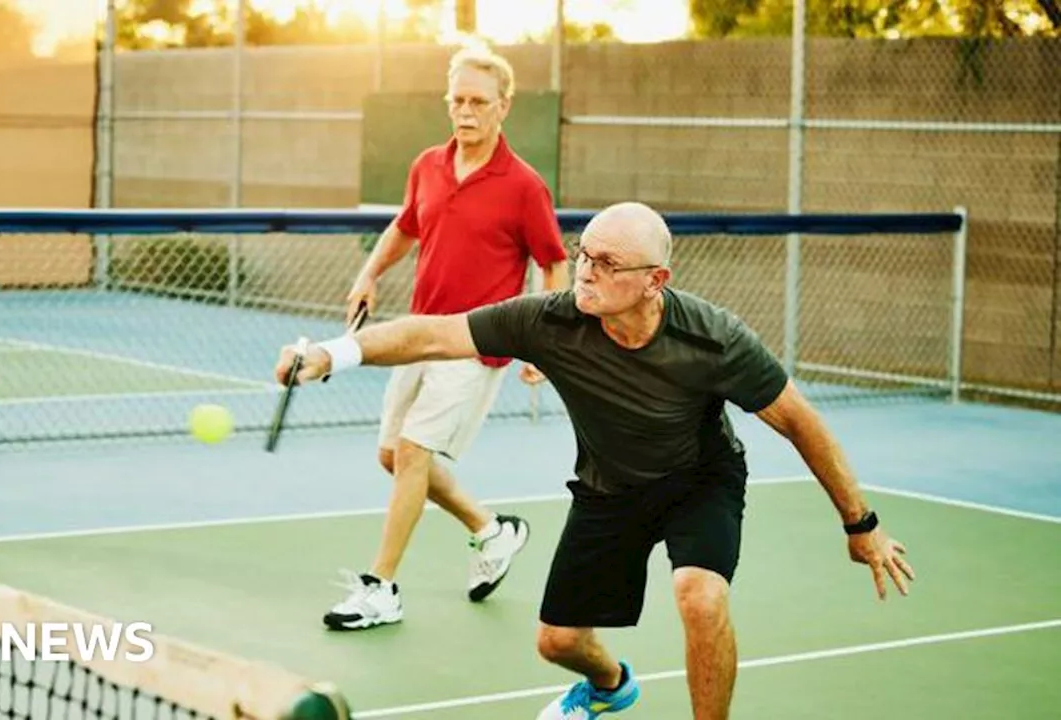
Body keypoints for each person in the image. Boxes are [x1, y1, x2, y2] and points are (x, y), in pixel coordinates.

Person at [275, 201, 917, 718]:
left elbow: (800, 422)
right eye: (584, 254)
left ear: (653, 281)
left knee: (699, 596)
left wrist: (860, 525)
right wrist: (336, 354)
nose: (585, 270)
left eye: (607, 263)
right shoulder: (551, 320)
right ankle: (610, 687)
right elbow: (434, 332)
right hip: (609, 487)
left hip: (699, 480)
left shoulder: (713, 339)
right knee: (558, 642)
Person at [326, 43, 571, 632]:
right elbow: (407, 224)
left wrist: (542, 341)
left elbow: (553, 264)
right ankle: (492, 530)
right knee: (393, 456)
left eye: (478, 102)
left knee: (413, 453)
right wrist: (368, 274)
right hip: (417, 332)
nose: (465, 111)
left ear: (503, 107)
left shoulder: (524, 186)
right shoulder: (428, 165)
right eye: (457, 100)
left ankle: (380, 588)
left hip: (476, 344)